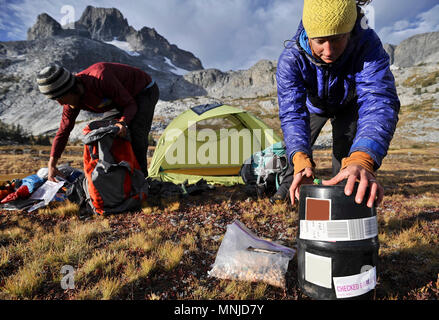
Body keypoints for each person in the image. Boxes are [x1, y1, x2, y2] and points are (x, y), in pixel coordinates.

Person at [276, 0, 400, 208]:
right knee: (298, 154)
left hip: (348, 107)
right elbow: (292, 113)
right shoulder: (291, 59)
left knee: (346, 159)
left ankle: (343, 200)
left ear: (349, 30)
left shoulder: (366, 45)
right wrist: (299, 156)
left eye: (337, 39)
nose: (329, 51)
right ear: (308, 34)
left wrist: (363, 158)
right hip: (314, 107)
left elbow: (378, 99)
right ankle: (285, 192)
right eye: (320, 41)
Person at [37, 62, 159, 182]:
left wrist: (123, 122)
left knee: (136, 135)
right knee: (103, 135)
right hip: (117, 100)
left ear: (71, 89)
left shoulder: (100, 77)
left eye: (60, 98)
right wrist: (52, 164)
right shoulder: (70, 102)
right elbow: (63, 131)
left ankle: (142, 182)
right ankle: (117, 181)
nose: (61, 103)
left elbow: (130, 104)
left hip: (143, 90)